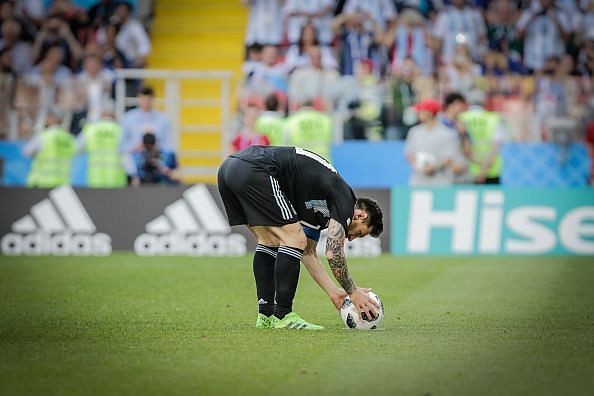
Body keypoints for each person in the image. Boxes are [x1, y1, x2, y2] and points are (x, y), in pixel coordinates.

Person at [217, 145, 384, 329]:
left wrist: (333, 292)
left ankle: (265, 316)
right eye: (359, 233)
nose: (351, 238)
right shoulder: (344, 199)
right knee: (294, 239)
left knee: (269, 241)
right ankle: (283, 316)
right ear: (360, 215)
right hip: (255, 169)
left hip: (230, 168)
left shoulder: (321, 209)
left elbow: (307, 252)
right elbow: (333, 253)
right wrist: (352, 291)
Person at [404, 98, 465, 186]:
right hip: (418, 181)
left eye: (421, 111)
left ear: (429, 113)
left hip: (440, 181)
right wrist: (418, 166)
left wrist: (434, 167)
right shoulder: (414, 132)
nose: (418, 114)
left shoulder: (447, 133)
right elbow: (409, 153)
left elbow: (450, 157)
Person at [459, 94, 505, 184]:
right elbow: (495, 148)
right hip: (491, 171)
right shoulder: (493, 118)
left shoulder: (461, 118)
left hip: (467, 171)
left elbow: (462, 147)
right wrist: (484, 171)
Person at [23, 111, 76, 188]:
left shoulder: (44, 136)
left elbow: (26, 152)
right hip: (62, 183)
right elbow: (75, 152)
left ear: (54, 119)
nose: (45, 120)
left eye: (47, 117)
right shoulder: (68, 138)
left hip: (41, 182)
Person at [78, 107, 127, 188]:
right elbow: (126, 153)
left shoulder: (90, 129)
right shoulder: (119, 130)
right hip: (116, 179)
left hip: (95, 178)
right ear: (114, 116)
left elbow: (78, 149)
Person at [120, 86, 172, 156]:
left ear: (152, 99)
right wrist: (135, 147)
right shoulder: (128, 118)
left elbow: (168, 145)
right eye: (143, 99)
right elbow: (121, 146)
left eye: (148, 100)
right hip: (134, 162)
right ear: (138, 98)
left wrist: (156, 148)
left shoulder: (163, 119)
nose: (145, 102)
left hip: (157, 160)